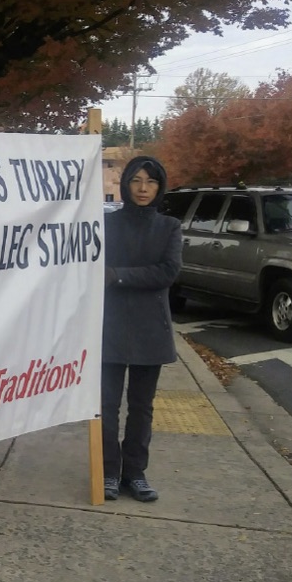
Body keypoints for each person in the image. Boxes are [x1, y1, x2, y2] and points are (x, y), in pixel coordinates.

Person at [100, 155, 183, 502]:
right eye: (136, 180)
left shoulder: (169, 227)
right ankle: (106, 471)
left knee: (142, 406)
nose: (143, 188)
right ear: (126, 184)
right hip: (110, 326)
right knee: (106, 406)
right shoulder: (106, 225)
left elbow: (167, 272)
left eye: (151, 181)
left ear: (160, 186)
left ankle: (135, 473)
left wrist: (117, 275)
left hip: (151, 327)